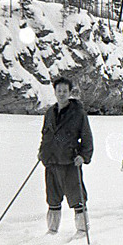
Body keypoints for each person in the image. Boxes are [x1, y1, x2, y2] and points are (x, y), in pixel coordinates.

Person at [38, 77, 93, 236]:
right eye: (58, 91)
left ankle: (82, 229)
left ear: (70, 93)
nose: (61, 94)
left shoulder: (78, 113)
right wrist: (42, 151)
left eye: (64, 91)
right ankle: (52, 229)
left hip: (70, 161)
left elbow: (87, 137)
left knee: (77, 196)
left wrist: (83, 156)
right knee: (52, 197)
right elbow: (45, 135)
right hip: (51, 160)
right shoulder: (49, 112)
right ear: (55, 92)